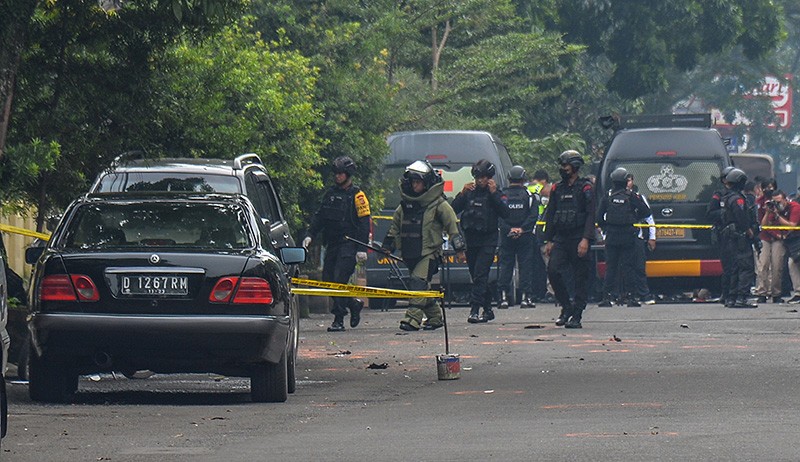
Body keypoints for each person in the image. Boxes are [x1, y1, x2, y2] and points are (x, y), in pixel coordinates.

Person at [381, 160, 466, 331]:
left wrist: (460, 250)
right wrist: (387, 246)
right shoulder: (405, 206)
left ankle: (412, 319)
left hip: (429, 253)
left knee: (418, 283)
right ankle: (435, 317)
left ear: (427, 183)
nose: (414, 186)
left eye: (418, 182)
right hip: (409, 252)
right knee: (421, 287)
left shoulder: (439, 204)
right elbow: (394, 227)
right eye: (412, 182)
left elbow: (452, 227)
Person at [304, 156, 371, 332]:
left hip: (349, 245)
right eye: (336, 173)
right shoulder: (330, 194)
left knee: (339, 279)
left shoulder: (358, 196)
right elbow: (320, 216)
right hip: (332, 244)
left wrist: (362, 249)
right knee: (328, 281)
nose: (337, 177)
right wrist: (310, 234)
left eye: (341, 173)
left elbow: (364, 223)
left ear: (348, 174)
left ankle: (338, 318)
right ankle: (353, 304)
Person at [542, 150, 596, 328]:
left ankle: (577, 315)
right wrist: (548, 240)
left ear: (574, 166)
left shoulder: (585, 187)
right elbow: (550, 214)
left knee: (581, 278)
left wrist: (586, 239)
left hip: (579, 238)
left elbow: (590, 214)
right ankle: (566, 307)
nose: (563, 169)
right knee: (553, 271)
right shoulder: (557, 188)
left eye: (565, 165)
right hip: (561, 239)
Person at [452, 159, 508, 323]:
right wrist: (461, 193)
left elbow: (506, 213)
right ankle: (488, 309)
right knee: (476, 276)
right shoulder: (469, 192)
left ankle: (475, 309)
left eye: (484, 177)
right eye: (478, 177)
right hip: (472, 240)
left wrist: (494, 194)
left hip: (488, 240)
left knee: (480, 274)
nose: (480, 180)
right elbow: (453, 209)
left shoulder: (496, 193)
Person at [596, 167, 651, 308]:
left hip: (612, 236)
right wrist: (634, 218)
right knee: (629, 267)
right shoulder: (632, 196)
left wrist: (606, 227)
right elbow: (646, 211)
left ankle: (606, 297)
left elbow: (598, 216)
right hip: (628, 235)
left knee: (611, 267)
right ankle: (631, 297)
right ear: (626, 180)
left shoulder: (608, 197)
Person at [497, 165, 538, 309]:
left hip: (506, 236)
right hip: (525, 236)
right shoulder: (530, 195)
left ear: (509, 179)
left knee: (506, 266)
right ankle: (526, 298)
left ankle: (503, 297)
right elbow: (534, 215)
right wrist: (522, 229)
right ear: (523, 179)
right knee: (525, 266)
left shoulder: (502, 195)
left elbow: (499, 215)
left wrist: (509, 229)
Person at [719, 168, 758, 308]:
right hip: (740, 237)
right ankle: (742, 297)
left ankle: (732, 297)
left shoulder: (726, 197)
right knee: (746, 267)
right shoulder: (738, 199)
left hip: (730, 237)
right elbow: (741, 217)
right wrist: (749, 231)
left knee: (734, 267)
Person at [707, 165, 736, 305]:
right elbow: (710, 213)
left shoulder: (739, 195)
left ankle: (739, 293)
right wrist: (726, 213)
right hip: (725, 234)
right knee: (728, 266)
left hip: (739, 234)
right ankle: (726, 293)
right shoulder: (719, 194)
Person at [627, 173, 656, 305]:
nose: (628, 183)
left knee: (639, 266)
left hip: (636, 236)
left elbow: (648, 217)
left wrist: (652, 237)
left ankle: (644, 295)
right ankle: (622, 296)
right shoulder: (610, 197)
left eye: (630, 180)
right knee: (621, 267)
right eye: (625, 180)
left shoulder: (637, 197)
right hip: (618, 237)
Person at [755, 180, 785, 303]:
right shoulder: (759, 202)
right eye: (767, 187)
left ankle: (776, 293)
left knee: (777, 265)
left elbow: (786, 218)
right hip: (765, 236)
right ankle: (762, 292)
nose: (769, 190)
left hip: (778, 237)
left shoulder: (781, 200)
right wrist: (767, 211)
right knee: (763, 265)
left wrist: (777, 211)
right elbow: (762, 223)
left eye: (772, 187)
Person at [528, 170, 553, 302]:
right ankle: (549, 291)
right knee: (547, 264)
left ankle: (535, 292)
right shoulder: (546, 189)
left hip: (532, 232)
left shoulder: (530, 189)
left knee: (536, 265)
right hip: (541, 233)